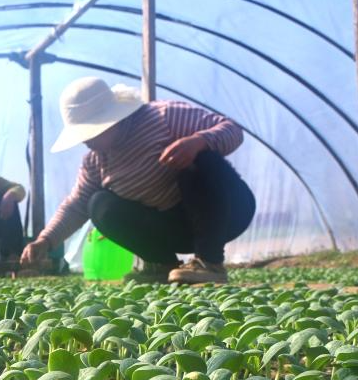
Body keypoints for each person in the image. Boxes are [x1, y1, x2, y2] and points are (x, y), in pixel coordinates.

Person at [20, 77, 255, 284]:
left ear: (111, 120)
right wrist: (45, 241)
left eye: (89, 132)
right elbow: (76, 205)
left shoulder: (163, 116)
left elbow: (232, 129)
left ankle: (210, 262)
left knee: (199, 160)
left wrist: (197, 141)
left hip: (225, 214)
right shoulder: (95, 162)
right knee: (99, 204)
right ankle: (161, 265)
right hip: (175, 229)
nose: (85, 141)